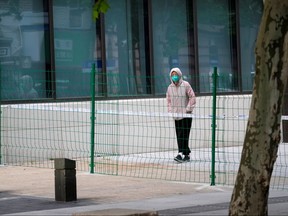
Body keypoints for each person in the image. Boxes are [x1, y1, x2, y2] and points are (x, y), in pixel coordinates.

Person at [166, 67, 196, 163]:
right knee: (179, 134)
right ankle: (186, 154)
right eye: (172, 75)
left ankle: (180, 153)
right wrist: (171, 110)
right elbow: (168, 101)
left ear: (179, 75)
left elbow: (192, 97)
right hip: (176, 115)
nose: (174, 76)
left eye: (176, 74)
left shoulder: (186, 85)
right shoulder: (170, 88)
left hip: (186, 115)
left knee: (184, 134)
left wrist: (188, 109)